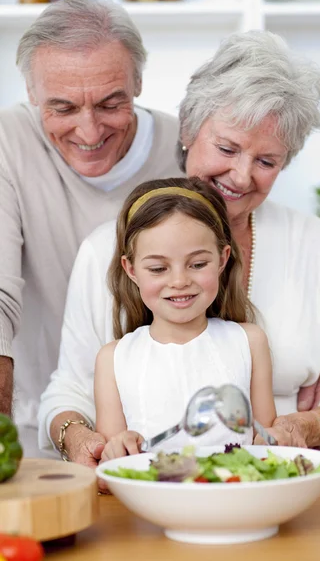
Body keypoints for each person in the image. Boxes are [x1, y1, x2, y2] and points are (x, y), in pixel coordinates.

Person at [39, 29, 320, 468]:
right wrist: (84, 440)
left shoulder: (313, 244)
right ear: (188, 130)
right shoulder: (105, 249)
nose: (242, 177)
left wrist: (307, 423)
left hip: (279, 473)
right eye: (226, 148)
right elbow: (69, 391)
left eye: (267, 161)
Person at [0, 0, 182, 457]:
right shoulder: (8, 141)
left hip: (167, 431)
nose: (88, 130)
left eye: (110, 103)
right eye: (62, 108)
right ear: (30, 91)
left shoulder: (185, 151)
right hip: (36, 424)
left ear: (139, 82)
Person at [94, 177, 276, 462]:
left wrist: (278, 440)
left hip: (236, 500)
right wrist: (118, 448)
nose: (179, 281)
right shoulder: (113, 359)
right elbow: (111, 467)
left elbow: (266, 445)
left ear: (222, 259)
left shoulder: (249, 341)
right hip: (151, 503)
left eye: (198, 264)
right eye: (158, 268)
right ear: (130, 269)